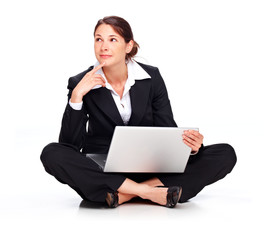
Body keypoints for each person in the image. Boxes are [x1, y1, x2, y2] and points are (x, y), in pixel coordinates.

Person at [40, 16, 237, 208]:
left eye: (112, 39)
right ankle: (152, 193)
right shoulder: (80, 82)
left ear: (128, 46)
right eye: (98, 39)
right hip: (104, 168)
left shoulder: (151, 77)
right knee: (51, 153)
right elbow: (68, 146)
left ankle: (124, 194)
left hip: (150, 167)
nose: (103, 47)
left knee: (225, 153)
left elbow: (166, 129)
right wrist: (77, 97)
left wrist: (191, 147)